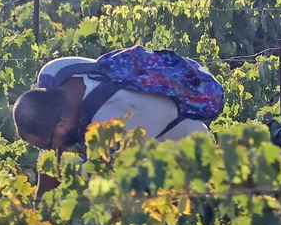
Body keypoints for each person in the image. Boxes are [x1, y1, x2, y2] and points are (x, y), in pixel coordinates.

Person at [11, 54, 212, 153]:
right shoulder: (54, 73)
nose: (51, 152)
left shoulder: (113, 121)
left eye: (48, 146)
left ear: (62, 126)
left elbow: (107, 189)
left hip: (189, 160)